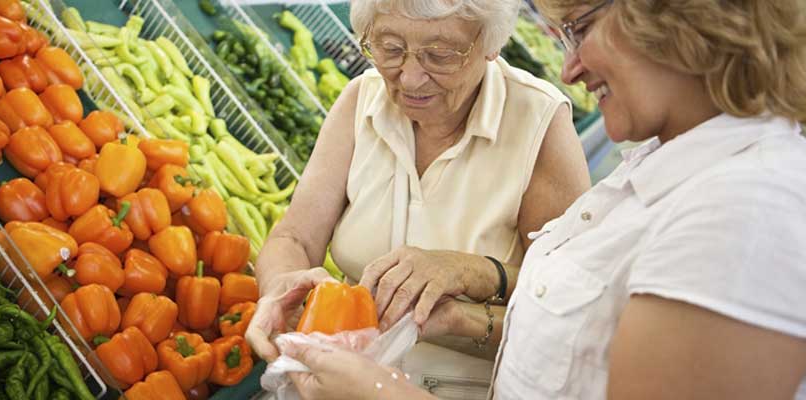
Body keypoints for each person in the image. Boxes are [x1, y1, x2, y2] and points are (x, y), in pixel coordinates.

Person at [272, 0, 806, 399]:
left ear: (682, 16)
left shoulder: (751, 211)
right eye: (391, 49)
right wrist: (455, 317)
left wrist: (377, 391)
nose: (569, 69)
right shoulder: (664, 172)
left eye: (581, 28)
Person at [246, 0, 591, 390]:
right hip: (331, 385)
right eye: (390, 49)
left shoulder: (539, 123)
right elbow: (295, 236)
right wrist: (282, 286)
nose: (409, 78)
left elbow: (573, 310)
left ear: (491, 44)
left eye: (440, 55)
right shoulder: (361, 100)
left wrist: (468, 276)